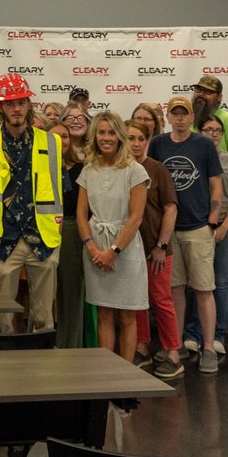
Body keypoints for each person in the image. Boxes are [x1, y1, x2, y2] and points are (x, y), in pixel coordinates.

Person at [0, 73, 65, 333]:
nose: (16, 108)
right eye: (10, 103)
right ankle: (2, 365)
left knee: (44, 319)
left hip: (42, 237)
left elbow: (59, 190)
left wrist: (55, 232)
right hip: (2, 237)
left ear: (29, 105)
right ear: (0, 107)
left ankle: (42, 366)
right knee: (2, 319)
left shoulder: (52, 143)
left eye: (21, 102)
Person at [148, 96, 222, 375]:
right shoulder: (158, 144)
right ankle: (175, 345)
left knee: (204, 289)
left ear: (192, 118)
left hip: (197, 227)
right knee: (174, 290)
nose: (179, 118)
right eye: (174, 113)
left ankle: (209, 348)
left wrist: (212, 220)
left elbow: (215, 183)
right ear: (168, 117)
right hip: (169, 231)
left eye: (184, 113)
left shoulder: (203, 144)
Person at [76, 112, 149, 363]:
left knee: (127, 315)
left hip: (125, 250)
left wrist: (113, 251)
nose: (106, 138)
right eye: (101, 132)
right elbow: (80, 214)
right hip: (94, 248)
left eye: (111, 133)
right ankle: (107, 372)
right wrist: (92, 248)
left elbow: (136, 218)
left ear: (119, 136)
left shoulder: (135, 170)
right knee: (104, 313)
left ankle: (125, 377)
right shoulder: (88, 170)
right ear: (94, 136)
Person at [184, 115, 228, 358]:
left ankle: (218, 335)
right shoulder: (192, 159)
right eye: (208, 129)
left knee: (219, 283)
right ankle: (192, 334)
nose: (213, 134)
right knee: (195, 283)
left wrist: (223, 227)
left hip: (224, 227)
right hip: (196, 227)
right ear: (199, 131)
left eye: (218, 130)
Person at [126, 120, 182, 379]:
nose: (135, 143)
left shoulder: (157, 170)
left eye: (140, 138)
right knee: (136, 301)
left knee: (161, 300)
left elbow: (170, 209)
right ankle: (142, 347)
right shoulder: (120, 169)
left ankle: (173, 353)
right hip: (129, 250)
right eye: (130, 138)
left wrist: (161, 245)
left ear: (147, 141)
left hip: (156, 250)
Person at [49, 118, 86, 349]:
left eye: (64, 136)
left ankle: (70, 346)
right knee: (43, 294)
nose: (60, 141)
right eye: (54, 136)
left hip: (72, 230)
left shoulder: (81, 169)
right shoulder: (36, 167)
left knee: (71, 292)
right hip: (43, 229)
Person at [191, 75, 228, 170]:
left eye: (208, 92)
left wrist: (220, 177)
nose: (201, 94)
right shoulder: (189, 118)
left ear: (219, 97)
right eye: (198, 90)